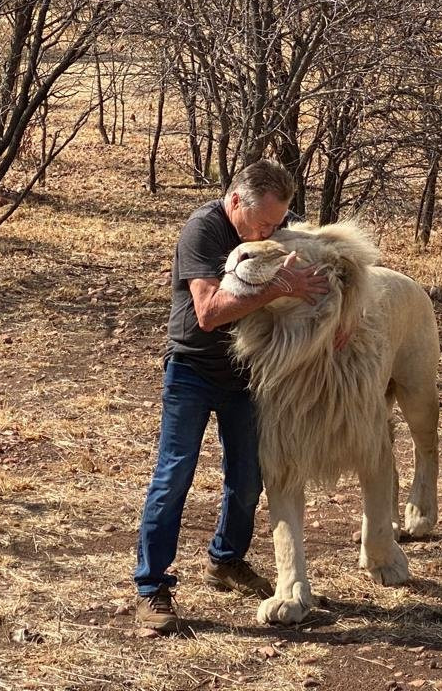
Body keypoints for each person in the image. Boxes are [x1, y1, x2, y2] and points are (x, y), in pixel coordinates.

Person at [134, 159, 329, 632]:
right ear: (235, 201)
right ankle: (151, 588)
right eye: (262, 222)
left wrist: (334, 325)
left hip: (247, 376)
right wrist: (280, 287)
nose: (270, 232)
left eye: (278, 223)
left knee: (248, 478)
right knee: (175, 474)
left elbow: (324, 285)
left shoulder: (271, 232)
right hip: (193, 371)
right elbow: (209, 312)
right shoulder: (203, 230)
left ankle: (226, 560)